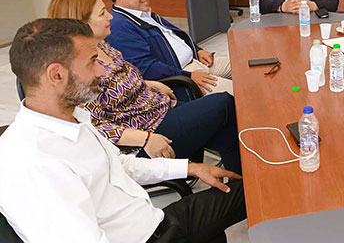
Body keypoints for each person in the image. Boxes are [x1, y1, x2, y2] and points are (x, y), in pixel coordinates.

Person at [0, 18, 246, 242]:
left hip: (154, 222)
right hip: (146, 237)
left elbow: (118, 164)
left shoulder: (73, 118)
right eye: (92, 62)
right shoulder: (33, 162)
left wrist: (189, 168)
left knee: (253, 188)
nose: (101, 72)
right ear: (56, 75)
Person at [47, 0, 241, 174]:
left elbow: (116, 82)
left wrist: (149, 84)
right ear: (80, 22)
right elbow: (91, 126)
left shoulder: (102, 46)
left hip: (158, 110)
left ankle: (240, 184)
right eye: (102, 13)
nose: (110, 17)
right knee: (223, 102)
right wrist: (145, 139)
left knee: (226, 129)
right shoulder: (78, 68)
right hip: (147, 133)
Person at [105, 0, 233, 96]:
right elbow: (145, 67)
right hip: (182, 76)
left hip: (197, 61)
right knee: (238, 92)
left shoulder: (143, 15)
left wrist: (198, 50)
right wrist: (188, 76)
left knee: (243, 64)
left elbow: (175, 36)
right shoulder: (119, 26)